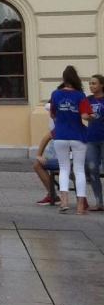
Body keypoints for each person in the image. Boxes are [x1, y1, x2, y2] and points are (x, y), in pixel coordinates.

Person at [50, 65, 92, 214]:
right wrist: (91, 116)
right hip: (78, 135)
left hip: (60, 135)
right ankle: (80, 206)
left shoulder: (55, 94)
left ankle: (64, 202)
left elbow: (53, 114)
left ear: (63, 79)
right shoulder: (80, 95)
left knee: (63, 168)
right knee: (79, 170)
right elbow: (85, 116)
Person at [85, 74, 104, 211]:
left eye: (94, 83)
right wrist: (86, 116)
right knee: (92, 169)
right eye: (90, 83)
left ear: (102, 85)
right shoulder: (88, 100)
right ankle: (99, 202)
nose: (91, 86)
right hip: (91, 139)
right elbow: (83, 114)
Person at [33, 126, 59, 206]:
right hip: (79, 163)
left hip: (69, 163)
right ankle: (53, 195)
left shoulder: (62, 126)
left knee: (37, 165)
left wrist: (38, 155)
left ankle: (53, 195)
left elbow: (47, 137)